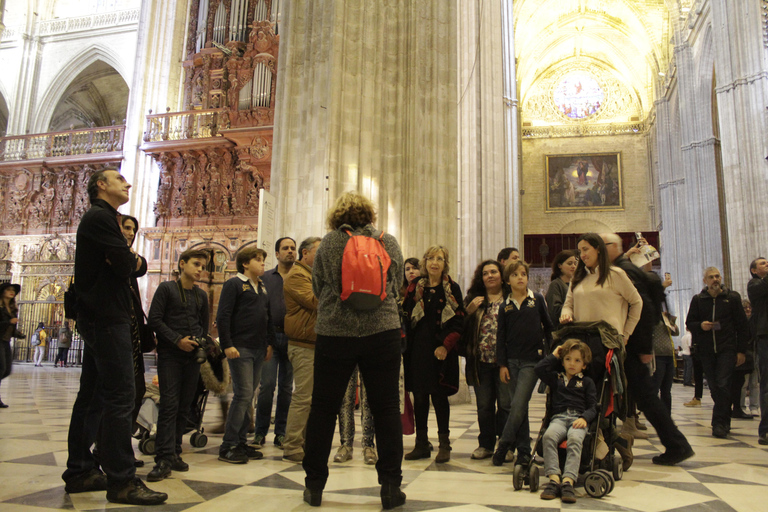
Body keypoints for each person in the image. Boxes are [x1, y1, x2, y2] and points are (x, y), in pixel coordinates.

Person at [62, 168, 167, 505]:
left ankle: (80, 471)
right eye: (120, 179)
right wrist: (133, 260)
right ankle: (122, 481)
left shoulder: (104, 218)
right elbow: (127, 265)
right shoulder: (100, 217)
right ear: (100, 186)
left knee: (92, 397)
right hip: (107, 319)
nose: (128, 182)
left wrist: (130, 260)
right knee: (122, 396)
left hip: (102, 317)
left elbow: (125, 262)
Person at [303, 191, 405, 509]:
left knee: (323, 408)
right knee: (386, 408)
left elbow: (318, 286)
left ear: (337, 217)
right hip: (382, 331)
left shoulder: (329, 243)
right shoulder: (387, 241)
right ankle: (389, 487)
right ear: (370, 215)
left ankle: (314, 486)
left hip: (336, 333)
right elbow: (397, 284)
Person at [147, 249, 210, 481]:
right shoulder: (167, 289)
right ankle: (162, 457)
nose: (200, 269)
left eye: (203, 266)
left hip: (191, 356)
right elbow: (154, 319)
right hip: (170, 355)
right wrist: (177, 340)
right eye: (196, 264)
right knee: (169, 405)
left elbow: (203, 327)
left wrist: (197, 342)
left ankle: (174, 452)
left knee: (185, 405)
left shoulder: (200, 295)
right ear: (182, 264)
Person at [402, 245, 465, 464]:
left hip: (440, 351)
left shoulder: (452, 288)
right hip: (417, 349)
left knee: (439, 397)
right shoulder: (414, 287)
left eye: (439, 258)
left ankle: (444, 444)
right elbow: (406, 316)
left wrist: (445, 346)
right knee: (419, 397)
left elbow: (458, 320)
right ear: (424, 262)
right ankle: (421, 443)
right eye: (430, 258)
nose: (434, 262)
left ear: (445, 263)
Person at [492, 260, 553, 466]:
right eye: (515, 275)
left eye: (523, 274)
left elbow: (548, 327)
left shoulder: (536, 299)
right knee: (519, 407)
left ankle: (504, 444)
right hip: (511, 361)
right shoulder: (505, 306)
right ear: (508, 280)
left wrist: (550, 354)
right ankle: (524, 451)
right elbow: (501, 337)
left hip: (531, 360)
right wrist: (502, 364)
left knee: (518, 404)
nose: (520, 277)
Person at [217, 246, 275, 463]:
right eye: (258, 260)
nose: (262, 263)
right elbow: (223, 316)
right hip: (240, 347)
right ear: (245, 263)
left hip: (259, 348)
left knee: (249, 395)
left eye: (263, 260)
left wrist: (269, 343)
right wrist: (227, 344)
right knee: (242, 395)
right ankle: (228, 445)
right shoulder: (234, 284)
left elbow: (267, 317)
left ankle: (241, 442)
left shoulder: (261, 287)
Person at [686, 267, 749, 438]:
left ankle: (719, 423)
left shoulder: (732, 298)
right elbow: (689, 322)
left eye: (717, 276)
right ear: (704, 280)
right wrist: (701, 325)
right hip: (706, 351)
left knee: (722, 384)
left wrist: (741, 351)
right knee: (715, 388)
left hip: (726, 349)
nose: (715, 280)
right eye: (711, 277)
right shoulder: (699, 300)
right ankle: (724, 416)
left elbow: (742, 326)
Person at [536, 339, 598, 504]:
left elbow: (593, 407)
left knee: (575, 439)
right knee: (548, 437)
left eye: (577, 360)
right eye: (568, 359)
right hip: (559, 418)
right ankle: (554, 478)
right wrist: (555, 355)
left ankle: (568, 481)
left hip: (578, 419)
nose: (572, 364)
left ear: (584, 365)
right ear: (562, 362)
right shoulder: (556, 378)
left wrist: (585, 418)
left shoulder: (587, 382)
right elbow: (539, 369)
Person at [462, 260, 510, 460]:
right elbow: (461, 329)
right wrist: (469, 312)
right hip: (480, 361)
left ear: (502, 275)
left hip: (504, 362)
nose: (489, 276)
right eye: (485, 273)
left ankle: (506, 445)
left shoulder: (510, 299)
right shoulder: (474, 300)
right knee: (484, 405)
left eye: (493, 272)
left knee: (506, 405)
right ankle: (486, 444)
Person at [281, 236, 321, 464]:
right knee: (303, 397)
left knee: (312, 399)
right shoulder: (297, 275)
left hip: (314, 343)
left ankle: (303, 441)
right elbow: (315, 301)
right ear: (305, 253)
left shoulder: (311, 275)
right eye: (319, 251)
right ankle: (292, 445)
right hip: (302, 344)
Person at [253, 237, 296, 449]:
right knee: (267, 385)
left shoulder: (301, 276)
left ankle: (281, 432)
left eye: (293, 248)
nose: (290, 251)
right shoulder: (266, 278)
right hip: (271, 338)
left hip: (293, 339)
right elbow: (261, 310)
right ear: (277, 254)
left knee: (287, 388)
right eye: (285, 248)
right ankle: (260, 432)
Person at [120, 214, 150, 452]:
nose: (130, 233)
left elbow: (142, 266)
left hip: (133, 335)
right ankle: (108, 449)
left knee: (136, 389)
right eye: (126, 228)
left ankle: (121, 447)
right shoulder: (111, 257)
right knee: (121, 393)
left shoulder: (129, 261)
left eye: (133, 229)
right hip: (117, 334)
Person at [747, 257, 768, 444]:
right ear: (754, 270)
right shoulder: (754, 285)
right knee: (767, 384)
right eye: (763, 263)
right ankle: (766, 430)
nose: (766, 264)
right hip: (765, 336)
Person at [730, 300, 755, 419]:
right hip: (737, 353)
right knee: (739, 384)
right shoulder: (736, 321)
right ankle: (737, 407)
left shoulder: (751, 320)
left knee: (747, 383)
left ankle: (745, 407)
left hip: (748, 353)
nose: (748, 310)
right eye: (745, 308)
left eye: (749, 307)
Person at [0, 282, 22, 408]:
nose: (11, 291)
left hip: (6, 340)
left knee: (7, 370)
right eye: (8, 289)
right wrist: (8, 321)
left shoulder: (12, 308)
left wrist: (18, 334)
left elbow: (11, 327)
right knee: (1, 368)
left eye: (13, 290)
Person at [545, 250, 578, 329]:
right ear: (560, 265)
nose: (573, 266)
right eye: (569, 263)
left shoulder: (577, 284)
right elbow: (554, 311)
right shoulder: (556, 285)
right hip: (561, 329)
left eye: (575, 263)